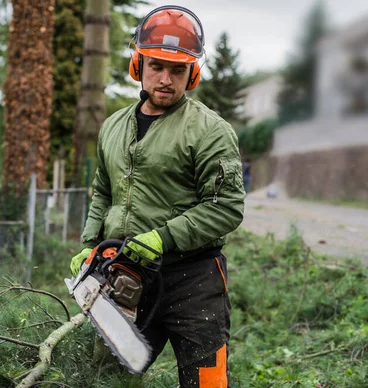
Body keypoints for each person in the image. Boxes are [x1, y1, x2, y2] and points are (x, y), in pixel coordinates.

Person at [69, 5, 245, 387]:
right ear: (138, 65)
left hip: (194, 281)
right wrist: (91, 246)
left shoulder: (210, 131)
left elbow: (226, 207)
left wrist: (162, 238)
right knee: (107, 378)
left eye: (177, 70)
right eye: (157, 67)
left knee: (207, 381)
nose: (166, 79)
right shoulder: (113, 127)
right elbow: (103, 191)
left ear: (192, 73)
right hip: (126, 277)